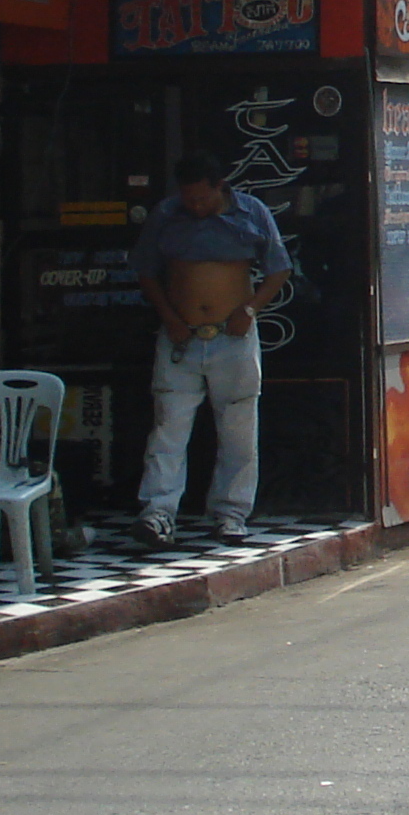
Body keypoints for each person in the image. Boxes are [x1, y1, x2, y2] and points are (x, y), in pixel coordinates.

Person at [129, 155, 289, 547]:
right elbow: (146, 271)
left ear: (221, 188)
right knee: (169, 425)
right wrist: (170, 318)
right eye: (189, 199)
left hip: (232, 337)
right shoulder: (167, 215)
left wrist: (249, 309)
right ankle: (158, 512)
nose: (195, 206)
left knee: (237, 428)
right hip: (181, 337)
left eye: (202, 198)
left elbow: (278, 269)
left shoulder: (251, 213)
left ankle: (231, 513)